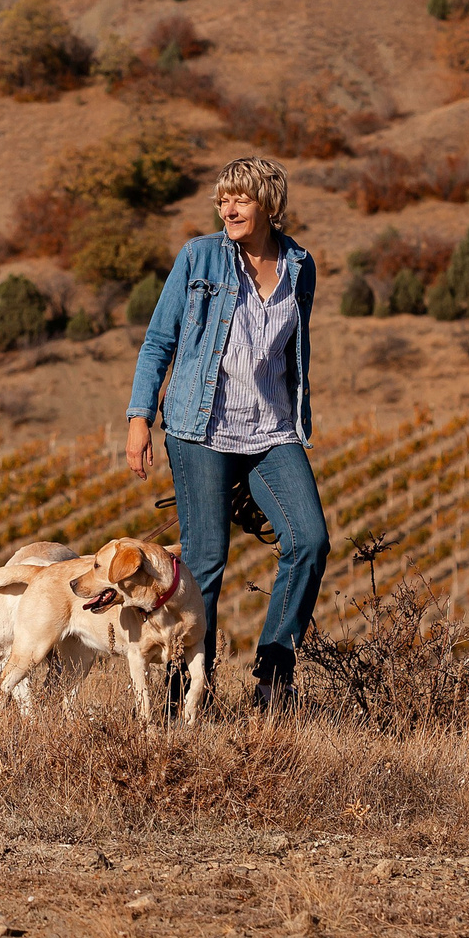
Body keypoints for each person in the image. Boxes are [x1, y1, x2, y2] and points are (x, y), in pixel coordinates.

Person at [125, 157, 331, 713]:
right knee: (205, 562)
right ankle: (185, 694)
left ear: (268, 203)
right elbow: (157, 342)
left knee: (309, 541)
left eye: (240, 198)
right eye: (222, 200)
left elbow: (292, 353)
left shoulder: (300, 266)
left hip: (271, 429)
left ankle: (273, 676)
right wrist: (139, 416)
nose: (229, 208)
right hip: (201, 427)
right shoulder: (199, 257)